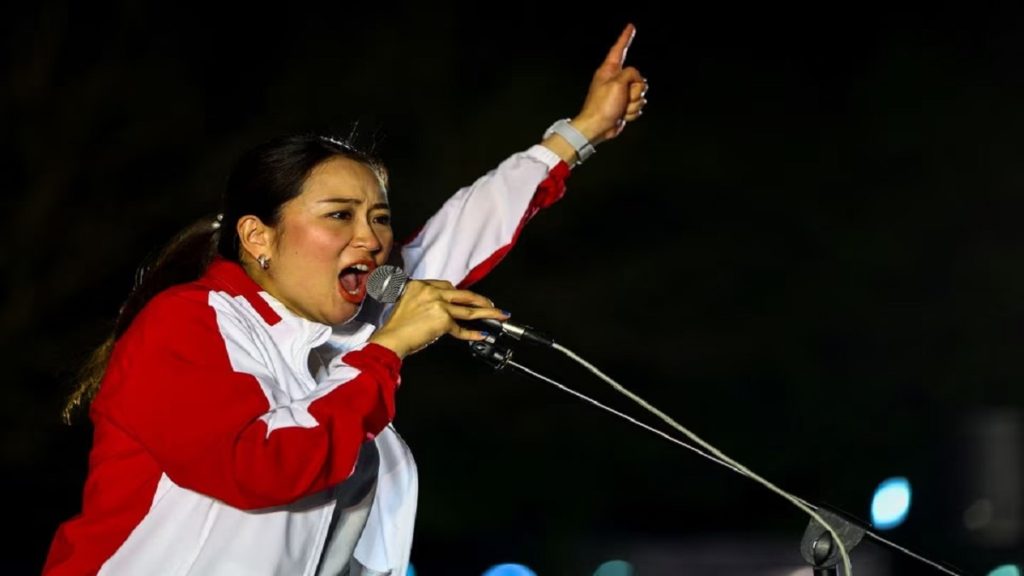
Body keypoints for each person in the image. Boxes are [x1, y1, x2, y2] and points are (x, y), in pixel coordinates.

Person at [42, 23, 648, 576]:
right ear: (258, 237)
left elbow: (467, 227)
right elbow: (261, 465)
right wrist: (386, 352)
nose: (372, 239)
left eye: (379, 217)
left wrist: (581, 132)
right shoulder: (187, 321)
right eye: (340, 215)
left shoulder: (353, 325)